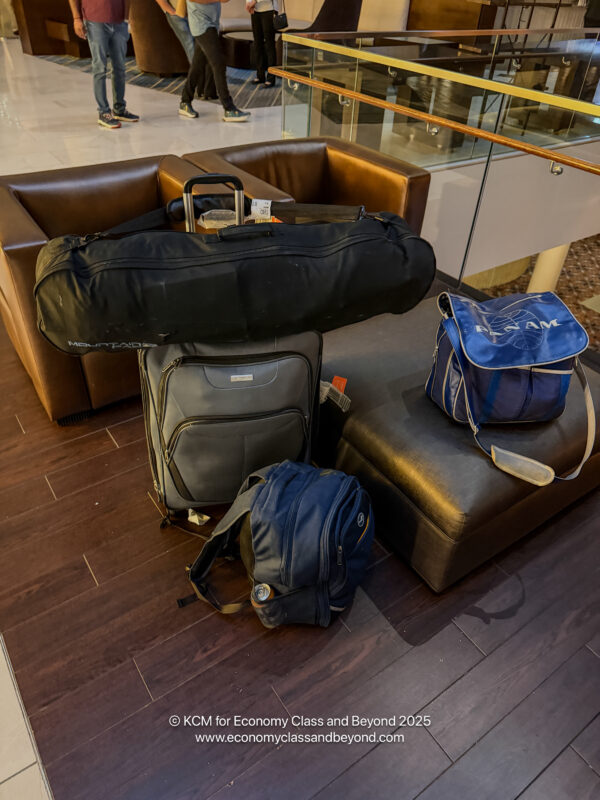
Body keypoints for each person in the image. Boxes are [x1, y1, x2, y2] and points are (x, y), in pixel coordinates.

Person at [69, 0, 139, 129]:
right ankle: (104, 111)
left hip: (119, 21)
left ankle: (119, 108)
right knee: (100, 67)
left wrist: (127, 18)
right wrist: (77, 18)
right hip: (94, 20)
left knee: (120, 67)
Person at [179, 0, 250, 122]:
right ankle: (229, 108)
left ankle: (185, 101)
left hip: (212, 23)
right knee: (219, 62)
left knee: (197, 65)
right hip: (201, 24)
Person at [154, 0, 216, 99]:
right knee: (191, 48)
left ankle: (207, 89)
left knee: (202, 50)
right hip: (177, 15)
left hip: (196, 14)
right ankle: (200, 88)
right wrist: (170, 11)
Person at [246, 0, 276, 88]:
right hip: (255, 11)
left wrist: (255, 1)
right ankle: (260, 75)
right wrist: (248, 4)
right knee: (257, 44)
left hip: (268, 10)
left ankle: (271, 78)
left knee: (270, 45)